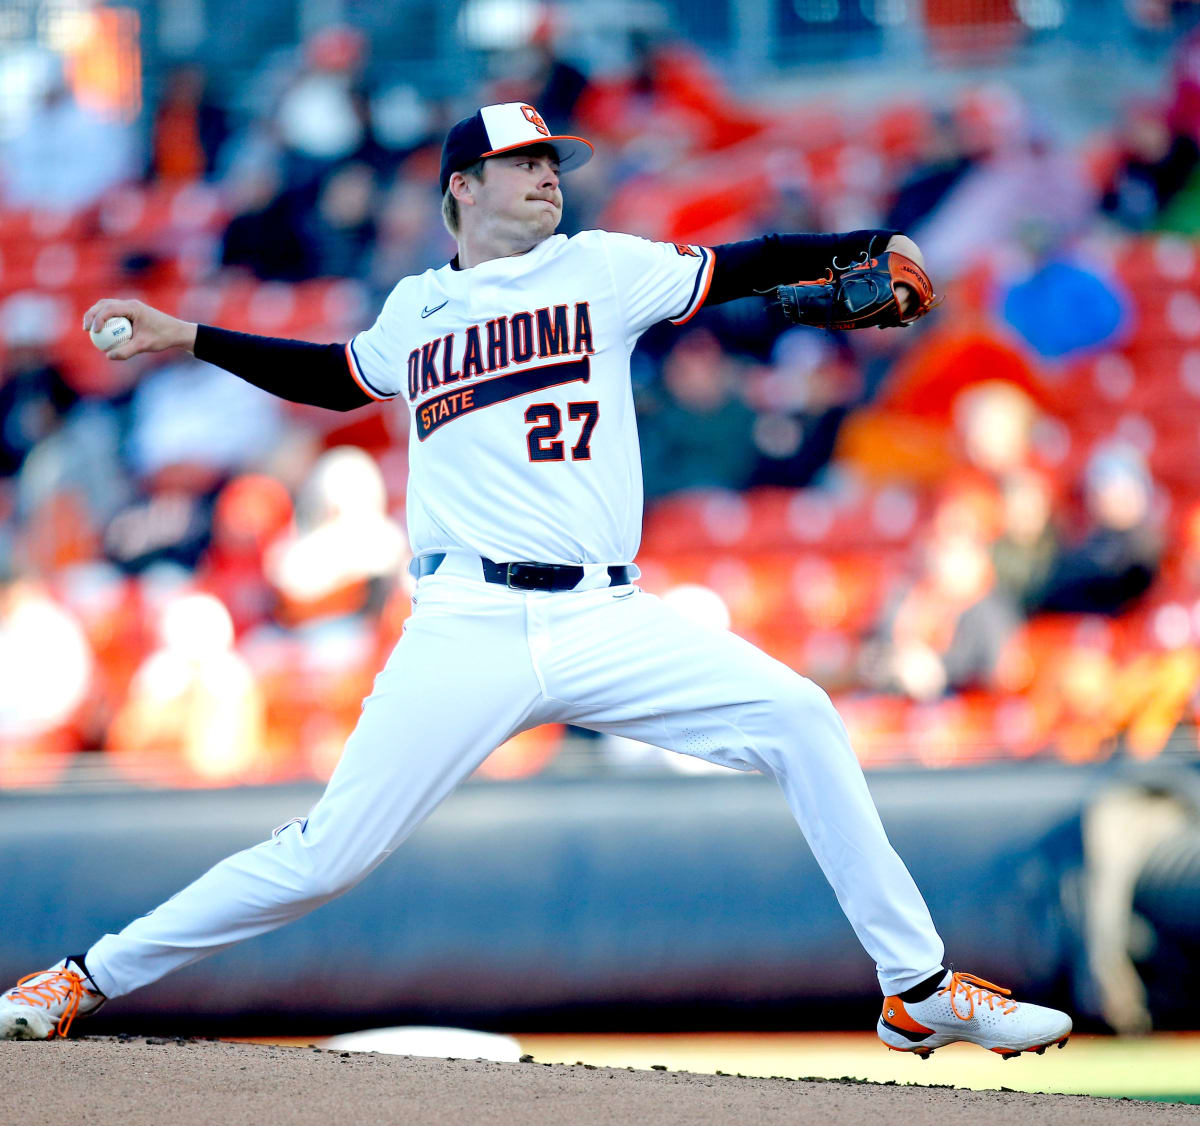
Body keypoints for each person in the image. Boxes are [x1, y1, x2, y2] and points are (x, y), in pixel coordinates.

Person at [1, 102, 1072, 1059]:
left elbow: (749, 261)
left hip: (605, 614)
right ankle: (82, 979)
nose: (548, 174)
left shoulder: (601, 267)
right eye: (521, 162)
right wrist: (186, 335)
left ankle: (917, 991)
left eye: (554, 160)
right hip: (464, 620)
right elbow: (333, 378)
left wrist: (869, 243)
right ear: (461, 189)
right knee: (327, 855)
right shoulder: (417, 310)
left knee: (800, 716)